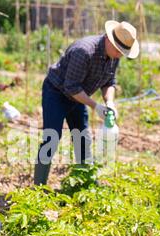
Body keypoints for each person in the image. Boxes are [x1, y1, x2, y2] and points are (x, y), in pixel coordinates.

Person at [34, 21, 140, 185]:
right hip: (56, 93)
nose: (120, 55)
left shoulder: (114, 56)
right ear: (108, 39)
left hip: (78, 95)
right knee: (52, 138)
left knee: (82, 138)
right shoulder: (84, 51)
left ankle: (85, 181)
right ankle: (38, 187)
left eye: (123, 52)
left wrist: (109, 102)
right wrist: (95, 106)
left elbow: (109, 81)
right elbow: (71, 87)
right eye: (119, 50)